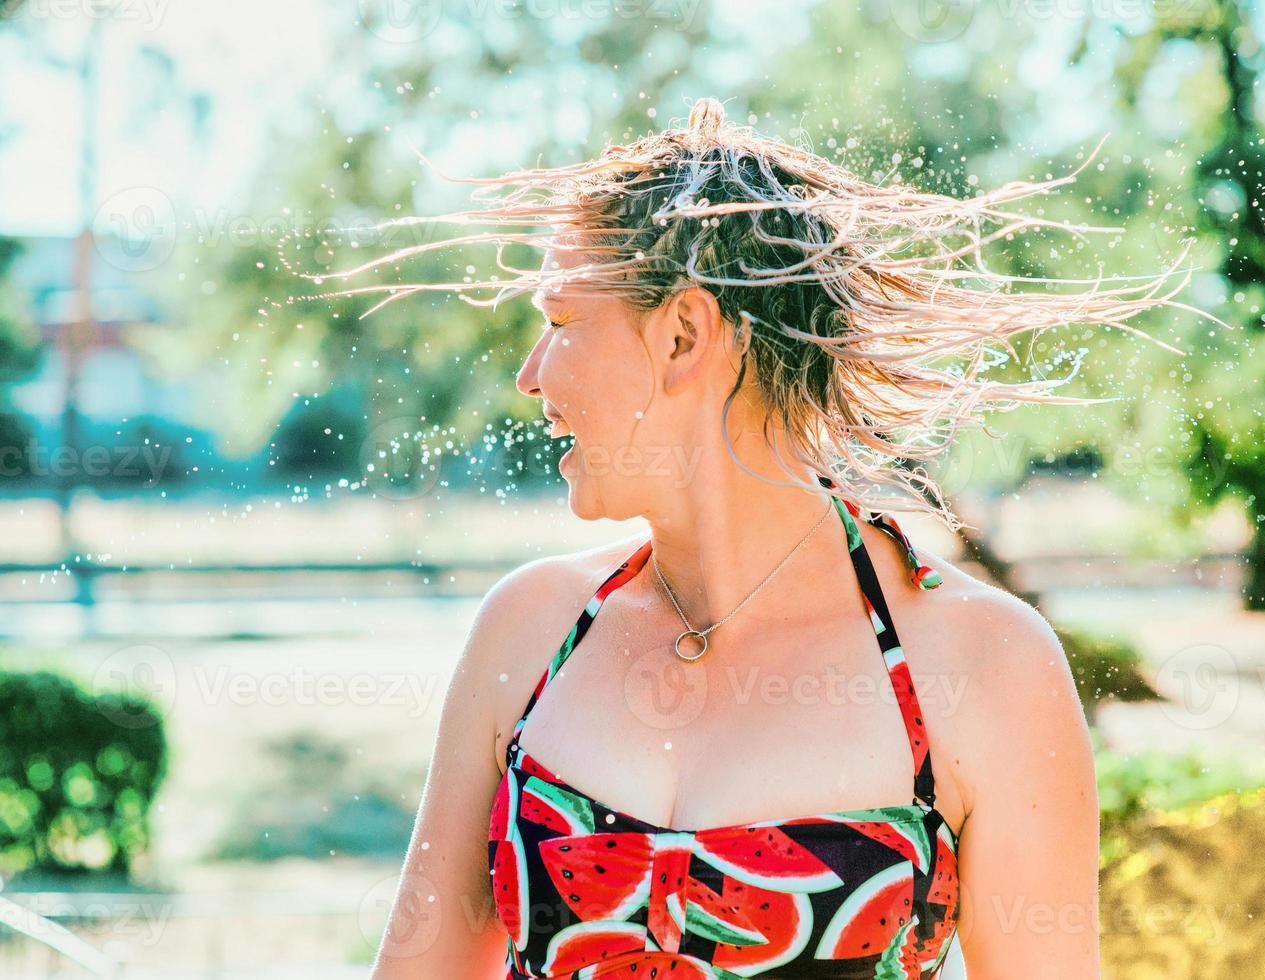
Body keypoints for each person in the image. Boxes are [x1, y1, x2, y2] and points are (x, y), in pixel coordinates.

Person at [362, 97, 1184, 979]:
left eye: (560, 321)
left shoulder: (982, 665)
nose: (531, 376)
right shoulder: (529, 631)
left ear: (682, 335)